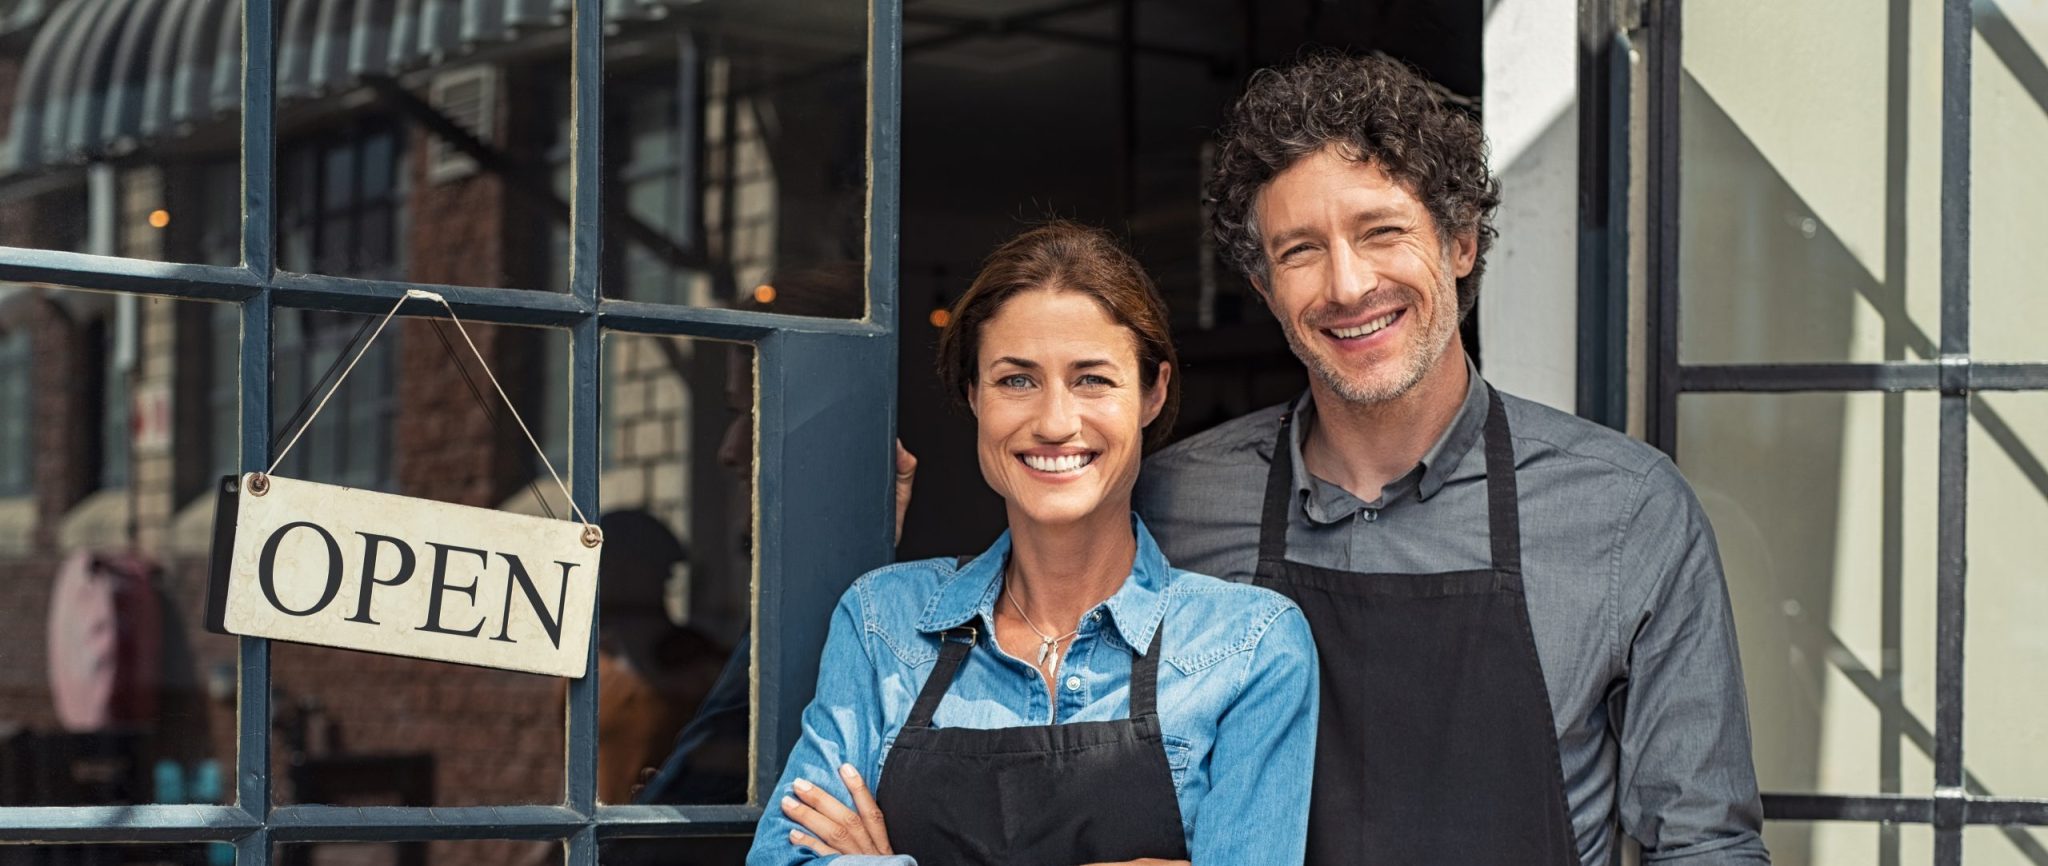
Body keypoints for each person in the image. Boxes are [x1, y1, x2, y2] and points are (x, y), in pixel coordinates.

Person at [1128, 52, 1770, 865]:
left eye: (1382, 232)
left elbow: (1705, 845)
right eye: (1300, 251)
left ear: (1461, 242)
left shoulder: (1624, 511)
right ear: (1263, 288)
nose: (1349, 284)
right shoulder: (1173, 504)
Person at [748, 221, 1319, 866]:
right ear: (973, 396)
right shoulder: (883, 622)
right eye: (1016, 380)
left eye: (1093, 379)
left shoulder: (1249, 647)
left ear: (1152, 393)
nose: (1053, 422)